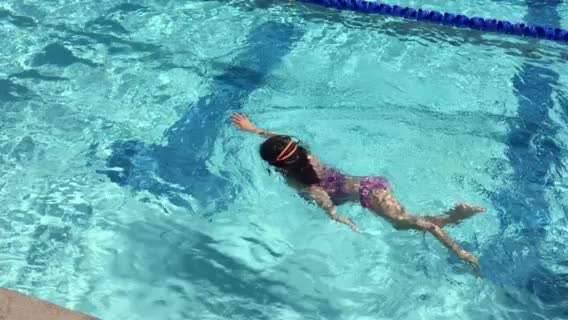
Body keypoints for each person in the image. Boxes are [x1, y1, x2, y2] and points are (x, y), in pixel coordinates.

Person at [231, 113, 485, 269]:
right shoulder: (307, 154)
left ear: (279, 166)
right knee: (408, 221)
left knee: (406, 224)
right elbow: (283, 139)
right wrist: (254, 130)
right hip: (371, 183)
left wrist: (336, 217)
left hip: (367, 195)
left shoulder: (300, 181)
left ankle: (460, 250)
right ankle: (455, 217)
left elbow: (321, 199)